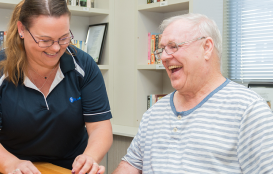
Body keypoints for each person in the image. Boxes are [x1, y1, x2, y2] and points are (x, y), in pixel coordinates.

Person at [113, 13, 273, 174]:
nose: (164, 57)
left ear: (207, 47)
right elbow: (129, 167)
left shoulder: (249, 111)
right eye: (162, 49)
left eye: (173, 46)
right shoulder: (153, 114)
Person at [0, 0, 113, 174]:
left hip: (70, 170)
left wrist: (90, 157)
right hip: (14, 169)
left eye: (63, 38)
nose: (55, 48)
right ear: (22, 30)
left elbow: (100, 127)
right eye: (45, 40)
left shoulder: (83, 66)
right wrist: (12, 164)